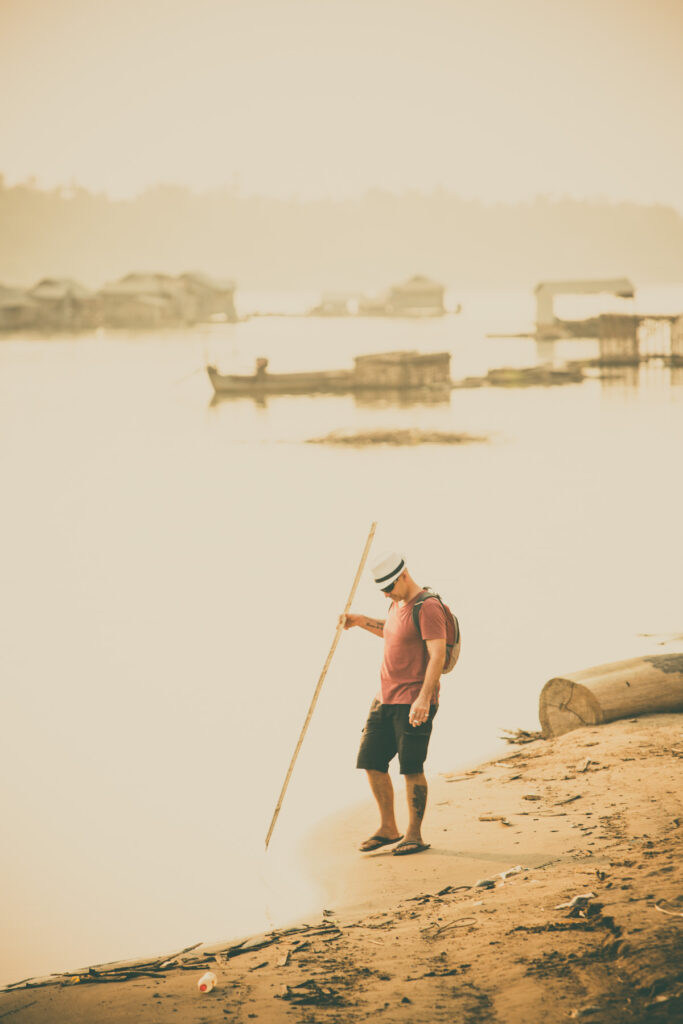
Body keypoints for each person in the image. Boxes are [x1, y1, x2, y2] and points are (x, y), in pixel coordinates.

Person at [342, 551, 447, 856]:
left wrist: (424, 699)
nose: (386, 592)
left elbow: (437, 655)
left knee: (411, 768)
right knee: (371, 762)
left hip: (413, 701)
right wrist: (360, 621)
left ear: (404, 575)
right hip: (384, 698)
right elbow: (391, 633)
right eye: (382, 589)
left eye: (390, 585)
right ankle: (388, 828)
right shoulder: (395, 603)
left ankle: (414, 834)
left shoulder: (428, 608)